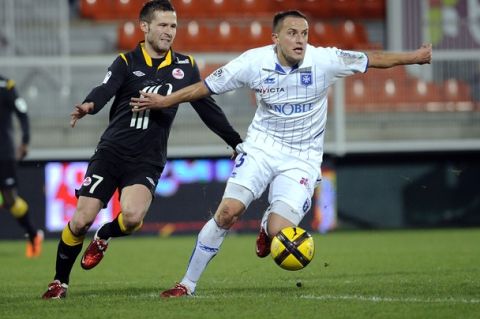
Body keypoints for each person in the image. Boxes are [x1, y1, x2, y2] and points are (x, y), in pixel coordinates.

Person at [130, 10, 432, 297]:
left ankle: (266, 227)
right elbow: (206, 87)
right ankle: (187, 284)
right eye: (292, 33)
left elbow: (372, 58)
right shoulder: (253, 62)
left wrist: (415, 57)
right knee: (228, 212)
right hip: (262, 148)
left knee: (279, 232)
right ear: (276, 38)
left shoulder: (324, 59)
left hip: (303, 158)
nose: (300, 40)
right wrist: (165, 101)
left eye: (304, 33)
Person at [41, 0, 242, 299]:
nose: (169, 31)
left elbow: (206, 107)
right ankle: (59, 282)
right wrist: (89, 106)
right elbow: (105, 89)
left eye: (173, 25)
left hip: (147, 158)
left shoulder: (185, 67)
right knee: (81, 219)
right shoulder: (126, 61)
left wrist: (235, 140)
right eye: (162, 25)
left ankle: (105, 235)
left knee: (133, 218)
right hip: (111, 152)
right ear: (145, 27)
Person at [0, 74, 43, 259]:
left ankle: (33, 235)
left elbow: (22, 112)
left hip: (3, 152)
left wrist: (25, 141)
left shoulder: (6, 85)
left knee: (10, 199)